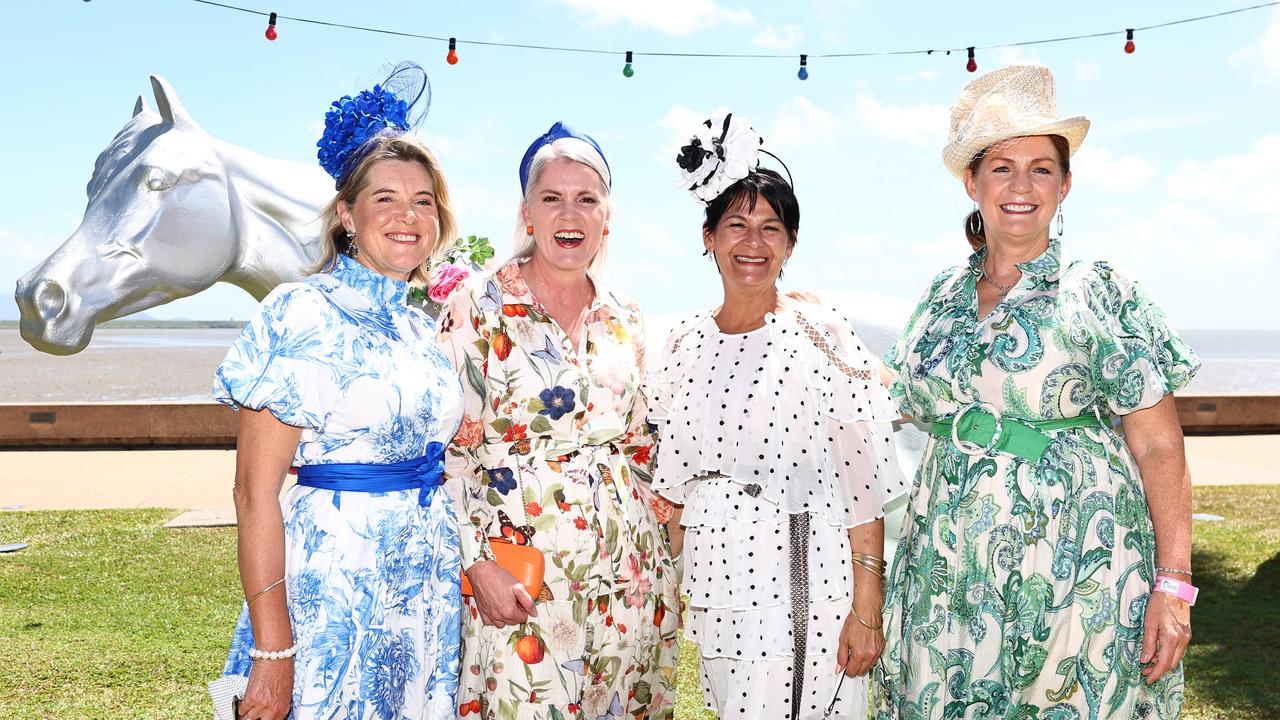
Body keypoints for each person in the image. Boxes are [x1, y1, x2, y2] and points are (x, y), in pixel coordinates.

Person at [873, 65, 1199, 719]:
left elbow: (1161, 446)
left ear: (1065, 184)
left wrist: (1175, 584)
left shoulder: (1101, 289)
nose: (1021, 186)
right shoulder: (939, 297)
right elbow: (896, 397)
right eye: (1002, 167)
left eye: (1041, 168)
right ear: (972, 181)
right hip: (950, 580)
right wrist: (807, 330)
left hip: (1084, 577)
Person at [212, 64, 465, 720]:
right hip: (334, 596)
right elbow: (253, 492)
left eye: (423, 200)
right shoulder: (300, 311)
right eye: (386, 198)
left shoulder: (420, 325)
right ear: (347, 215)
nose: (409, 216)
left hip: (424, 594)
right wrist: (274, 654)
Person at [652, 111, 908, 720]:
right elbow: (676, 493)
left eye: (771, 229)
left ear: (791, 245)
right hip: (717, 590)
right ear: (708, 236)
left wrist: (866, 605)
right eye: (736, 224)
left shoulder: (819, 334)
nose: (753, 242)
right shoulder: (680, 344)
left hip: (802, 579)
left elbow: (863, 486)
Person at [437, 122, 680, 719]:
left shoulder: (626, 317)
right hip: (522, 580)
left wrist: (670, 555)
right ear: (526, 213)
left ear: (607, 216)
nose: (569, 214)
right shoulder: (477, 306)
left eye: (586, 198)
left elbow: (644, 448)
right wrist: (477, 563)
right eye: (552, 198)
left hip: (630, 579)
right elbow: (445, 451)